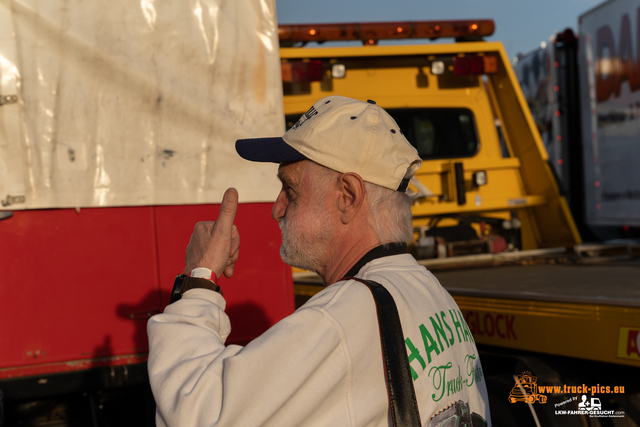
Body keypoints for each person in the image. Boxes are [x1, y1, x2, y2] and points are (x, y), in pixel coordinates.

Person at [147, 96, 491, 426]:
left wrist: (199, 279)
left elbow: (194, 411)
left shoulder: (340, 319)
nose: (276, 209)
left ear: (348, 196)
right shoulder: (430, 292)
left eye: (291, 191)